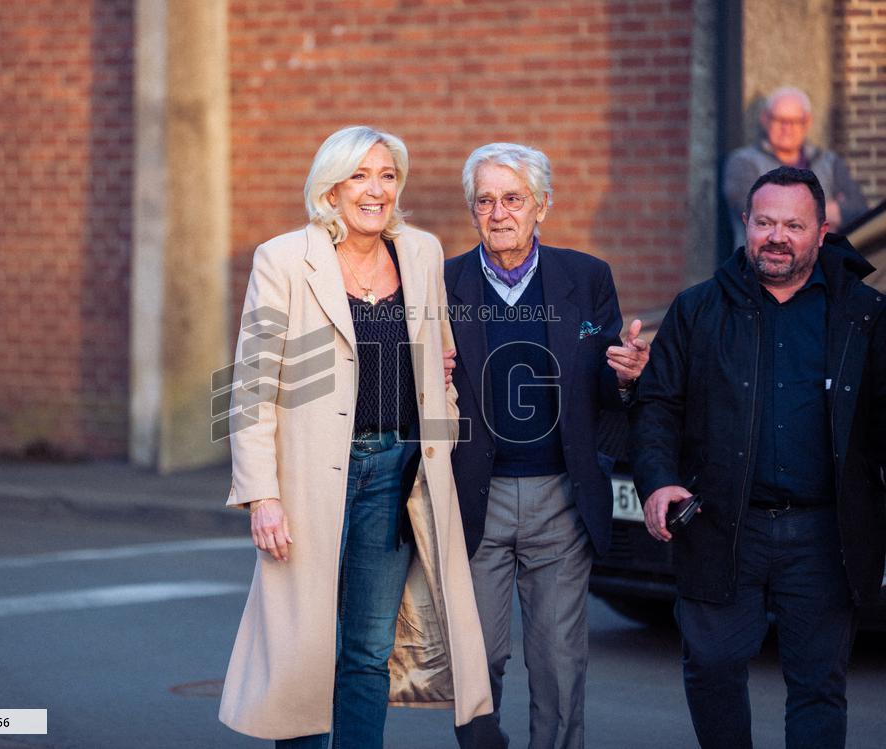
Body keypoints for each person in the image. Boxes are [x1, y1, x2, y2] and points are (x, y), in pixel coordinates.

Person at [218, 126, 492, 748]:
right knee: (304, 646)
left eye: (388, 176)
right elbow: (253, 385)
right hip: (310, 478)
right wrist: (261, 496)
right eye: (360, 176)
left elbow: (440, 361)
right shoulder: (284, 258)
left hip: (398, 472)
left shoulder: (420, 253)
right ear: (331, 189)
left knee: (368, 649)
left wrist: (441, 440)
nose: (376, 190)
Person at [631, 166, 886, 749]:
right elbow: (658, 406)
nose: (777, 237)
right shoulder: (696, 310)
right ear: (745, 223)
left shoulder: (865, 315)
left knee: (819, 687)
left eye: (793, 226)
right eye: (765, 222)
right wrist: (659, 480)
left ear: (821, 232)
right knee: (712, 667)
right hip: (721, 524)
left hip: (825, 533)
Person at [445, 142, 649, 749]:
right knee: (477, 661)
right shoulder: (442, 283)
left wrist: (625, 376)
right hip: (472, 496)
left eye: (513, 199)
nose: (499, 213)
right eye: (485, 200)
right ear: (472, 210)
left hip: (560, 495)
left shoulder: (586, 278)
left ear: (543, 205)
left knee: (559, 664)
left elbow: (604, 389)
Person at [724, 86, 867, 249]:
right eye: (779, 120)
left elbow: (859, 210)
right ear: (765, 119)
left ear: (807, 122)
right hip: (763, 261)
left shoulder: (829, 162)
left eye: (794, 121)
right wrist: (827, 211)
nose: (787, 128)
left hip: (823, 262)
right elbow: (756, 211)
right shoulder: (743, 163)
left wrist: (789, 211)